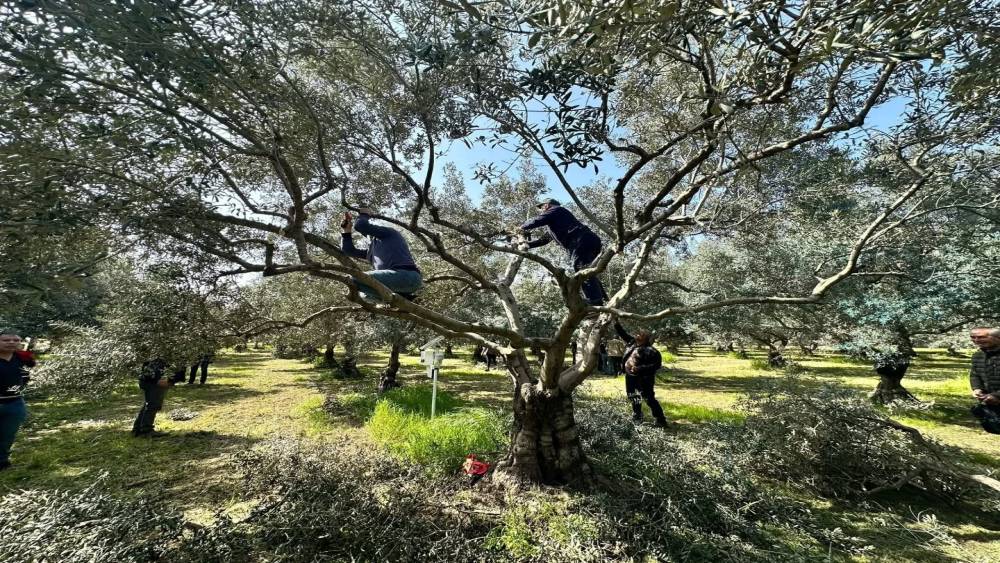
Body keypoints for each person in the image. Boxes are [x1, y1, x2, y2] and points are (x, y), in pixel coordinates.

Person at [519, 199, 607, 305]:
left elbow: (537, 220)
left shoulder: (556, 210)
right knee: (587, 269)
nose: (541, 211)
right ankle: (602, 298)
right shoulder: (555, 222)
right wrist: (528, 244)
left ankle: (595, 301)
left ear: (547, 205)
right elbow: (544, 240)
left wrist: (520, 228)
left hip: (581, 240)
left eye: (542, 207)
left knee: (581, 268)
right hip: (587, 241)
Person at [341, 209, 422, 302]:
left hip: (407, 276)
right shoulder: (371, 252)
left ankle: (401, 298)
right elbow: (348, 251)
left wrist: (364, 214)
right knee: (364, 295)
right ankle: (405, 299)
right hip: (397, 284)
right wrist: (346, 230)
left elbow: (361, 226)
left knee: (355, 278)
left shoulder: (390, 233)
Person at [616, 324, 668, 428]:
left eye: (641, 333)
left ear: (646, 337)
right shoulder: (632, 343)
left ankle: (661, 420)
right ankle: (637, 417)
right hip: (630, 377)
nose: (637, 334)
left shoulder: (652, 351)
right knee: (633, 397)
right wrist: (616, 323)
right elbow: (622, 333)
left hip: (644, 379)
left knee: (649, 398)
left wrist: (640, 368)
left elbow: (656, 365)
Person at [0, 331, 33, 470]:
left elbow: (28, 377)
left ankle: (1, 462)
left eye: (15, 340)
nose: (12, 342)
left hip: (15, 403)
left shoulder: (24, 359)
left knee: (7, 434)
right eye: (6, 340)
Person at [132, 359, 184, 437]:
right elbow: (150, 369)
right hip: (153, 381)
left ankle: (138, 428)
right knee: (153, 405)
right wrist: (157, 380)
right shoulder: (158, 355)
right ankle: (146, 430)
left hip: (151, 380)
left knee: (149, 404)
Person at [969, 327, 1000, 434]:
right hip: (992, 402)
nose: (976, 340)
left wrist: (997, 395)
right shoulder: (977, 356)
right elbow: (975, 374)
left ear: (998, 337)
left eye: (982, 337)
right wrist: (977, 389)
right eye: (973, 337)